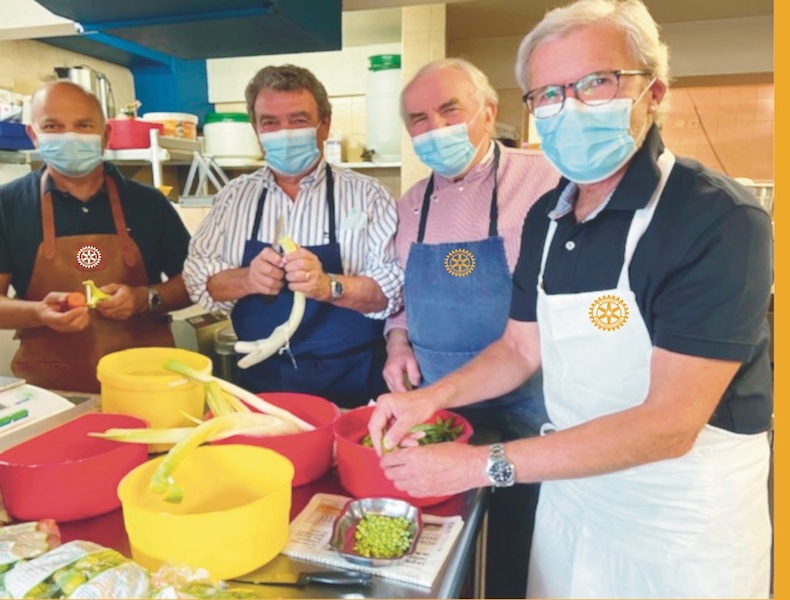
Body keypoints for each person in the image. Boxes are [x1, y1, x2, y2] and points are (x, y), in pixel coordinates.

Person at [367, 1, 773, 598]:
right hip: (572, 481)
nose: (571, 107)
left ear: (652, 92)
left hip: (677, 513)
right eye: (549, 94)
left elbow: (670, 425)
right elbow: (518, 346)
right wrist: (430, 397)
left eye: (596, 82)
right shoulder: (550, 216)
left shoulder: (716, 219)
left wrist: (481, 464)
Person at [385, 58, 559, 598]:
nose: (434, 128)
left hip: (533, 399)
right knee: (454, 530)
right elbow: (402, 295)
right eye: (418, 118)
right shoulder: (412, 203)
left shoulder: (547, 181)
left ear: (489, 111)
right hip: (441, 403)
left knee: (528, 527)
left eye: (449, 109)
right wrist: (397, 341)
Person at [183, 64, 403, 409]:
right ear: (256, 129)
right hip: (264, 380)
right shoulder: (233, 197)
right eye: (270, 122)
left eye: (298, 120)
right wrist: (248, 279)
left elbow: (392, 293)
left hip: (354, 377)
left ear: (324, 124)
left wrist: (329, 285)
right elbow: (199, 281)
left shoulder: (368, 195)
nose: (283, 132)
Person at [0, 81, 192, 393]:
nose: (69, 136)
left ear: (105, 135)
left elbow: (196, 282)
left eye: (83, 125)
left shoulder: (148, 203)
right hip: (53, 389)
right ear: (33, 135)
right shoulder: (3, 205)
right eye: (53, 126)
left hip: (145, 381)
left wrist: (145, 299)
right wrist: (37, 312)